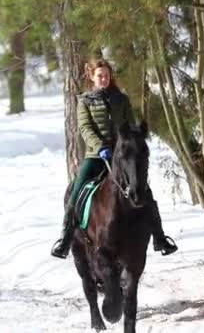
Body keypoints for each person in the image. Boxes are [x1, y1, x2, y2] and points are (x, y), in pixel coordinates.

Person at [50, 57, 178, 259]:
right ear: (92, 77)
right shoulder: (84, 101)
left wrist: (126, 146)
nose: (104, 79)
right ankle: (65, 240)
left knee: (145, 192)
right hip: (96, 156)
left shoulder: (121, 99)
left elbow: (131, 126)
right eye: (100, 76)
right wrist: (100, 147)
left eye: (107, 76)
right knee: (76, 193)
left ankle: (160, 238)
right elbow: (85, 128)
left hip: (122, 156)